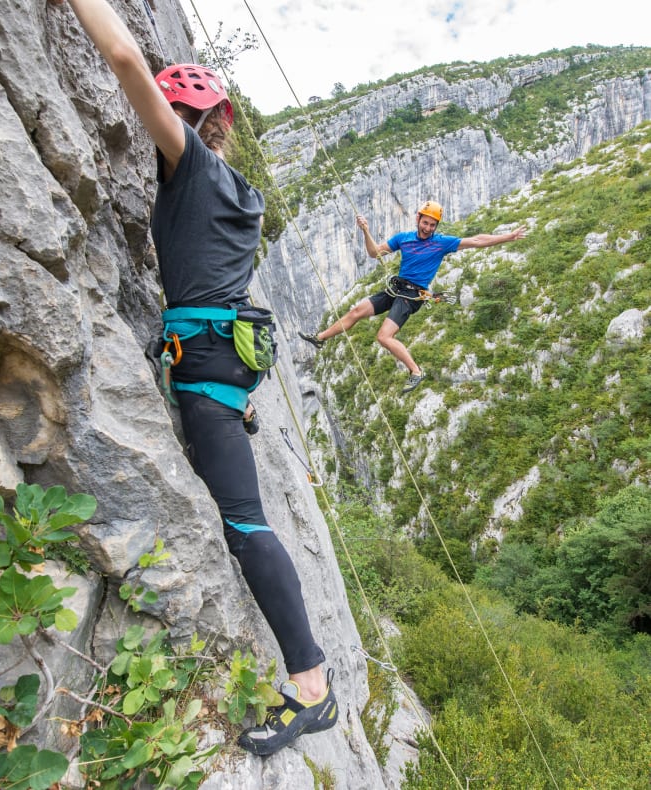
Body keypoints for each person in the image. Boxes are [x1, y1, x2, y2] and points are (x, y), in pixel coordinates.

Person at [53, 0, 337, 757]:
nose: (166, 125)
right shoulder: (236, 190)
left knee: (245, 526)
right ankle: (316, 682)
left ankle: (312, 684)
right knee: (243, 515)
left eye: (175, 114)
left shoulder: (195, 167)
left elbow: (120, 59)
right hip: (223, 359)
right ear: (229, 121)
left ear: (191, 120)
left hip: (209, 366)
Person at [300, 202, 527, 393]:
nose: (427, 227)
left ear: (436, 226)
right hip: (397, 288)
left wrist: (508, 237)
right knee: (356, 311)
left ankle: (416, 371)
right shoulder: (404, 238)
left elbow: (476, 240)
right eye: (425, 222)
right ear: (418, 219)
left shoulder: (441, 243)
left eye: (432, 224)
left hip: (412, 296)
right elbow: (374, 253)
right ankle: (320, 338)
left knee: (384, 336)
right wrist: (365, 231)